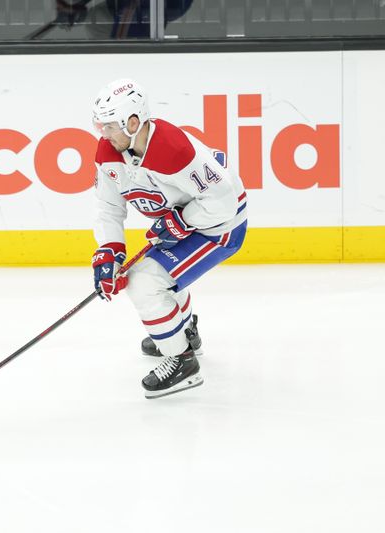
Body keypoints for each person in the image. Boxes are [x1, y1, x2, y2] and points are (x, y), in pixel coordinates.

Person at [90, 78, 248, 399]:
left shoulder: (173, 149)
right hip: (188, 218)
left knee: (144, 283)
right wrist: (109, 252)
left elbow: (223, 202)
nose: (103, 134)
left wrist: (181, 221)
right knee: (157, 274)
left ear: (133, 122)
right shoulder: (110, 151)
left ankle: (182, 362)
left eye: (109, 126)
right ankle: (183, 331)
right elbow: (108, 207)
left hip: (221, 224)